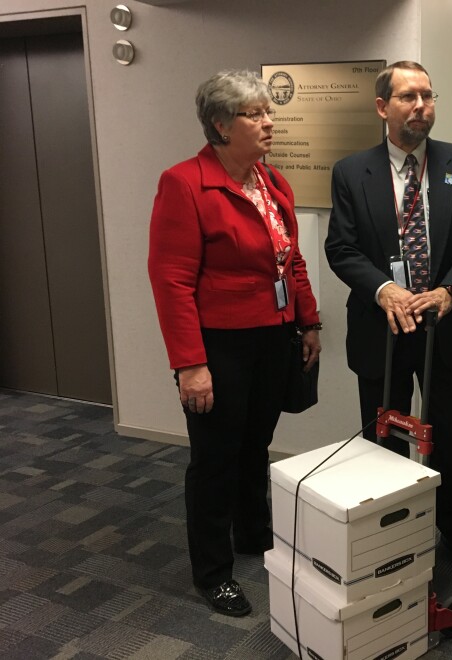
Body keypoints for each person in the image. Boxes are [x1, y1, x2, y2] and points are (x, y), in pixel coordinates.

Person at [148, 70, 321, 617]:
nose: (269, 122)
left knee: (255, 444)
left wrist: (309, 321)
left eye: (269, 112)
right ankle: (213, 572)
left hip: (273, 336)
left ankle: (253, 534)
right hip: (218, 346)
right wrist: (190, 365)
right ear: (221, 125)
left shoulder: (270, 181)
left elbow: (289, 258)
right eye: (255, 114)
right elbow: (170, 280)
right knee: (216, 458)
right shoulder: (184, 183)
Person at [325, 61, 452, 576]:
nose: (421, 106)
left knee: (447, 427)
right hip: (382, 323)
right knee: (383, 430)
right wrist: (384, 289)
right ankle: (389, 532)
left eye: (427, 95)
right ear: (383, 107)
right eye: (408, 97)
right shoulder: (352, 172)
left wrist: (449, 291)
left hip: (444, 322)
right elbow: (342, 248)